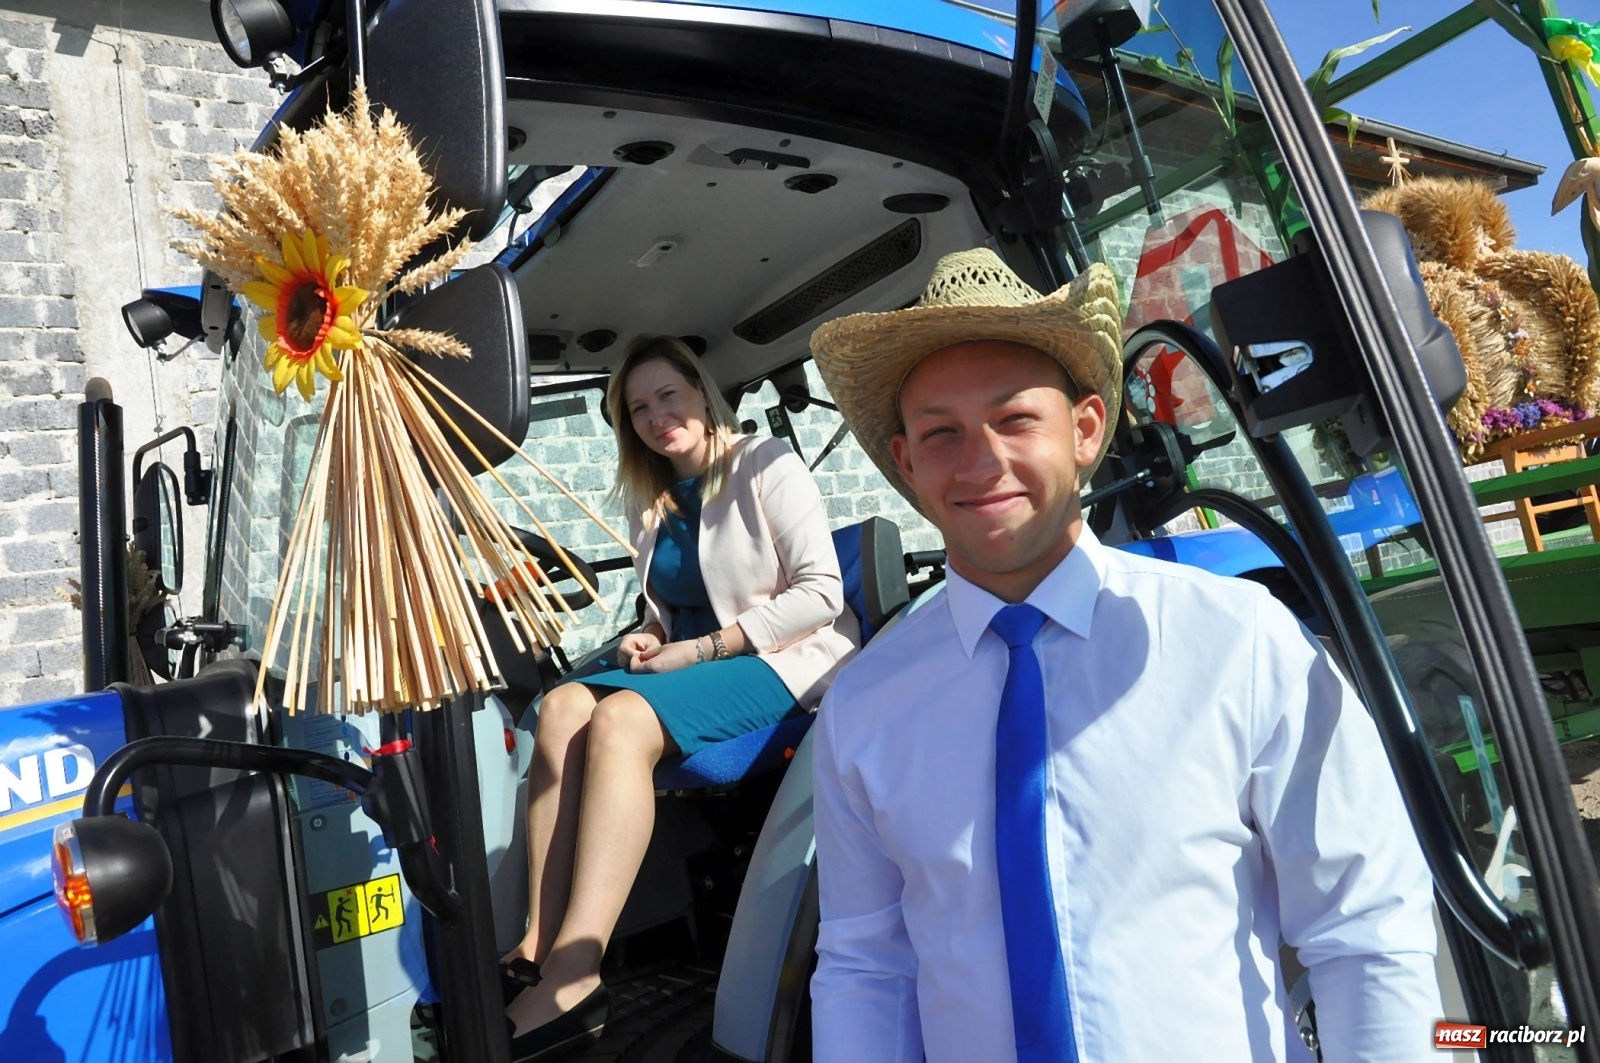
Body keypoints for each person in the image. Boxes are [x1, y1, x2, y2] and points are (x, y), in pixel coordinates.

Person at [806, 248, 1442, 1062]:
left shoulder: (1238, 641)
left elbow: (1365, 925)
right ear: (905, 461)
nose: (980, 461)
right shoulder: (864, 707)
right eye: (940, 432)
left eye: (1014, 419)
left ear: (1085, 429)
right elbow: (867, 964)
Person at [503, 334, 860, 1057]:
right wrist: (648, 635)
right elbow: (668, 608)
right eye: (638, 408)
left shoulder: (767, 464)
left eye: (668, 395)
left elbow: (821, 594)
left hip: (778, 658)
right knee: (563, 705)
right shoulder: (655, 500)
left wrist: (698, 649)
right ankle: (537, 941)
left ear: (701, 390)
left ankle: (578, 970)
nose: (656, 416)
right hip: (691, 664)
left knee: (621, 719)